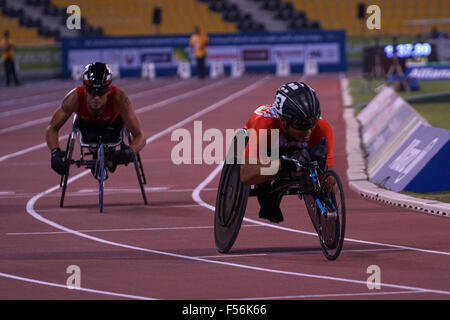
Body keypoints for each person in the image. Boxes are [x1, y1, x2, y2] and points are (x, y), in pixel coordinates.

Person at [240, 81, 335, 223]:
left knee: (316, 155)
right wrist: (280, 164)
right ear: (284, 121)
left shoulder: (322, 128)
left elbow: (329, 176)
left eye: (312, 124)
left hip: (292, 150)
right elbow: (246, 175)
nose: (308, 132)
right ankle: (269, 195)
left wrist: (322, 179)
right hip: (267, 151)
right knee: (272, 170)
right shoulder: (264, 124)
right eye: (301, 126)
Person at [46, 62, 146, 176]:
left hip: (112, 129)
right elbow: (52, 128)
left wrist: (130, 151)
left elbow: (140, 136)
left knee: (117, 134)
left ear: (109, 90)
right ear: (85, 89)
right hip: (88, 130)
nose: (96, 98)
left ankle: (109, 153)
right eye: (91, 92)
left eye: (101, 92)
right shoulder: (74, 99)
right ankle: (98, 152)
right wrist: (55, 153)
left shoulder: (120, 99)